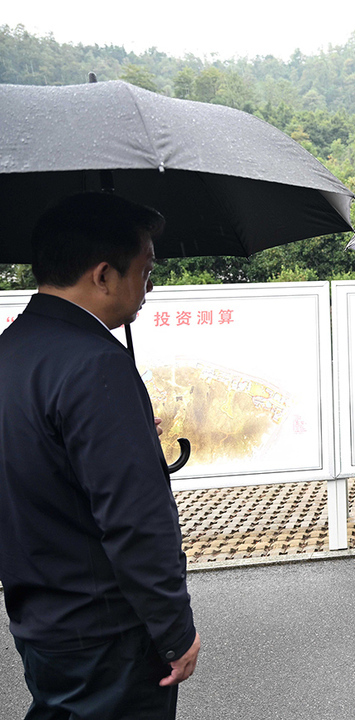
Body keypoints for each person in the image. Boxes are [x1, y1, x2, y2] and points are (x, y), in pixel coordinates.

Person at [0, 192, 200, 718]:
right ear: (104, 275)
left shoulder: (14, 348)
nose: (148, 288)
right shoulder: (96, 365)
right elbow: (135, 522)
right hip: (107, 632)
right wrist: (176, 631)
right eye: (146, 270)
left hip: (40, 615)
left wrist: (125, 430)